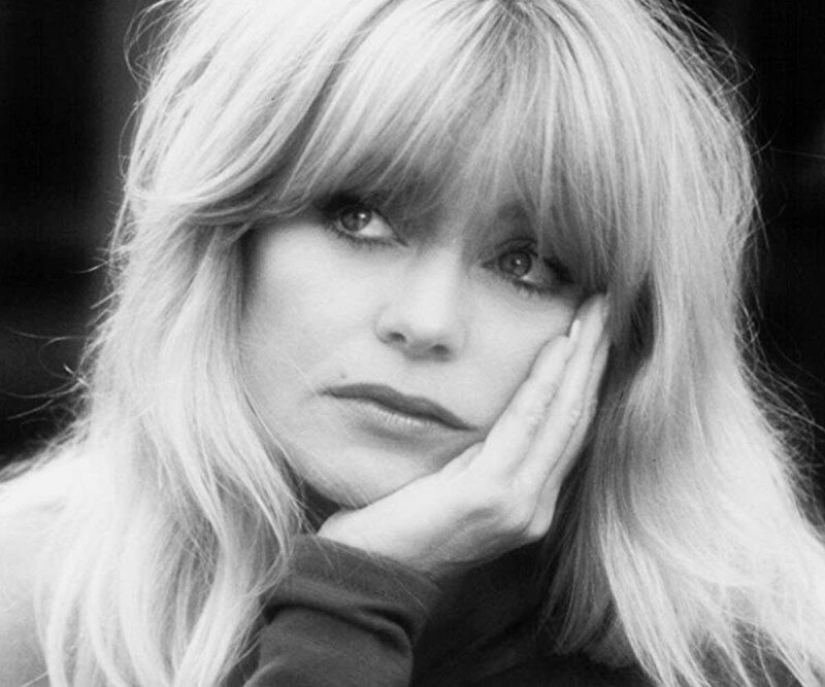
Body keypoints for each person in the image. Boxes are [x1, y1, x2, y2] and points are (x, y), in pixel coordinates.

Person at [2, 0, 825, 684]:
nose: (427, 322)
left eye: (527, 264)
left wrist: (354, 596)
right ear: (225, 241)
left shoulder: (746, 657)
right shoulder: (35, 610)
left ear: (627, 338)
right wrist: (356, 598)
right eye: (358, 217)